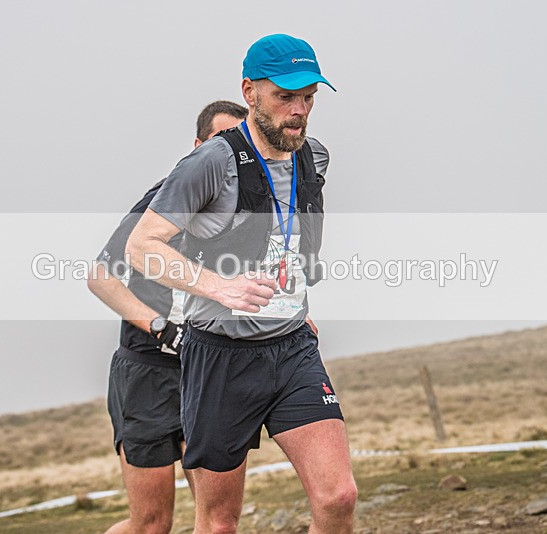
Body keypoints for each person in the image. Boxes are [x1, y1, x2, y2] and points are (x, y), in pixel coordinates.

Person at [128, 34, 357, 533]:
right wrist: (218, 286)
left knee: (338, 497)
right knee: (219, 522)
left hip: (291, 347)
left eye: (309, 98)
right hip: (220, 356)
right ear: (250, 92)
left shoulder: (311, 157)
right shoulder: (209, 163)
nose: (299, 110)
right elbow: (141, 247)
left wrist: (292, 296)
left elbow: (284, 239)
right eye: (285, 97)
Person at [87, 100, 248, 534]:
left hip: (207, 368)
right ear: (198, 147)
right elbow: (100, 277)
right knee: (152, 524)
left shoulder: (247, 206)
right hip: (147, 373)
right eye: (221, 140)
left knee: (218, 523)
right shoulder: (165, 199)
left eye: (240, 142)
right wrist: (159, 327)